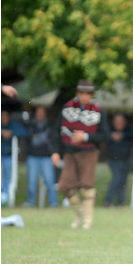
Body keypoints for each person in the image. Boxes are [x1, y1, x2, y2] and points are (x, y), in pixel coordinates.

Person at [50, 80, 110, 229]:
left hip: (89, 152)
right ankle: (79, 216)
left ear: (91, 95)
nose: (84, 96)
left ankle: (87, 221)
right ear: (77, 93)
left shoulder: (97, 109)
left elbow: (106, 135)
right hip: (70, 152)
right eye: (82, 93)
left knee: (86, 185)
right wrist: (55, 151)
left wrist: (86, 137)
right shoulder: (67, 107)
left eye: (88, 93)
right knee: (64, 186)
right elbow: (57, 131)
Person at [24, 106, 58, 208]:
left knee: (49, 181)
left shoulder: (50, 125)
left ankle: (53, 203)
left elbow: (51, 139)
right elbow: (29, 138)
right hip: (32, 156)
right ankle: (31, 202)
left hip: (46, 157)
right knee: (31, 181)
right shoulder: (31, 125)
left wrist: (37, 137)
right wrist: (41, 137)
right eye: (38, 112)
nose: (40, 114)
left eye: (42, 112)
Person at [103, 113, 133, 207]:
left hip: (125, 159)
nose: (118, 124)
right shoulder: (109, 130)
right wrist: (112, 135)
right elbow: (104, 136)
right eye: (116, 122)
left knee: (123, 181)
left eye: (120, 122)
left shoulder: (128, 131)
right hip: (113, 159)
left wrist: (123, 135)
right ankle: (108, 200)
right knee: (117, 178)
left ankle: (120, 202)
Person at [1, 110, 27, 202]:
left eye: (5, 117)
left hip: (8, 155)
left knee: (7, 175)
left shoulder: (13, 125)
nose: (4, 119)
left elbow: (24, 132)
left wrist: (11, 132)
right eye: (2, 117)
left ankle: (5, 196)